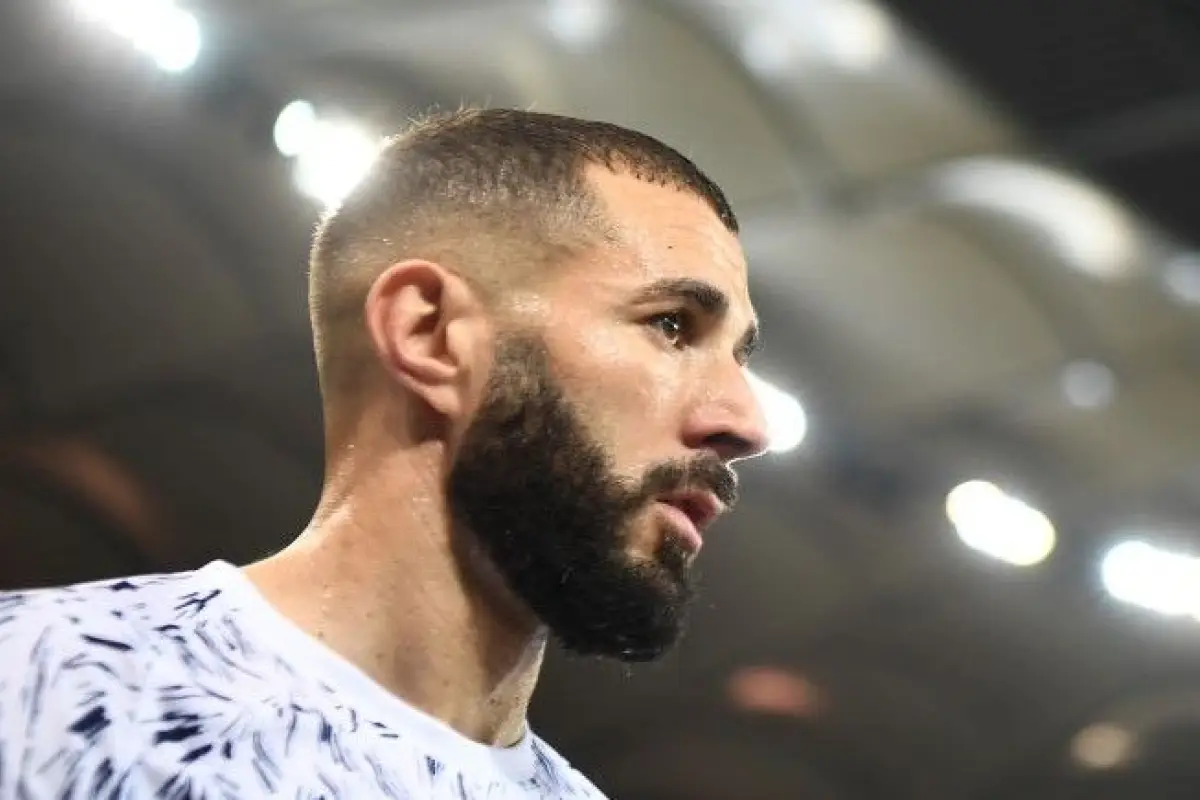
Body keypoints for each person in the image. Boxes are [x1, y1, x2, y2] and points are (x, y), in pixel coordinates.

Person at [0, 108, 769, 798]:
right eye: (672, 324)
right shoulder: (40, 682)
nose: (748, 423)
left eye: (740, 356)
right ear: (429, 333)